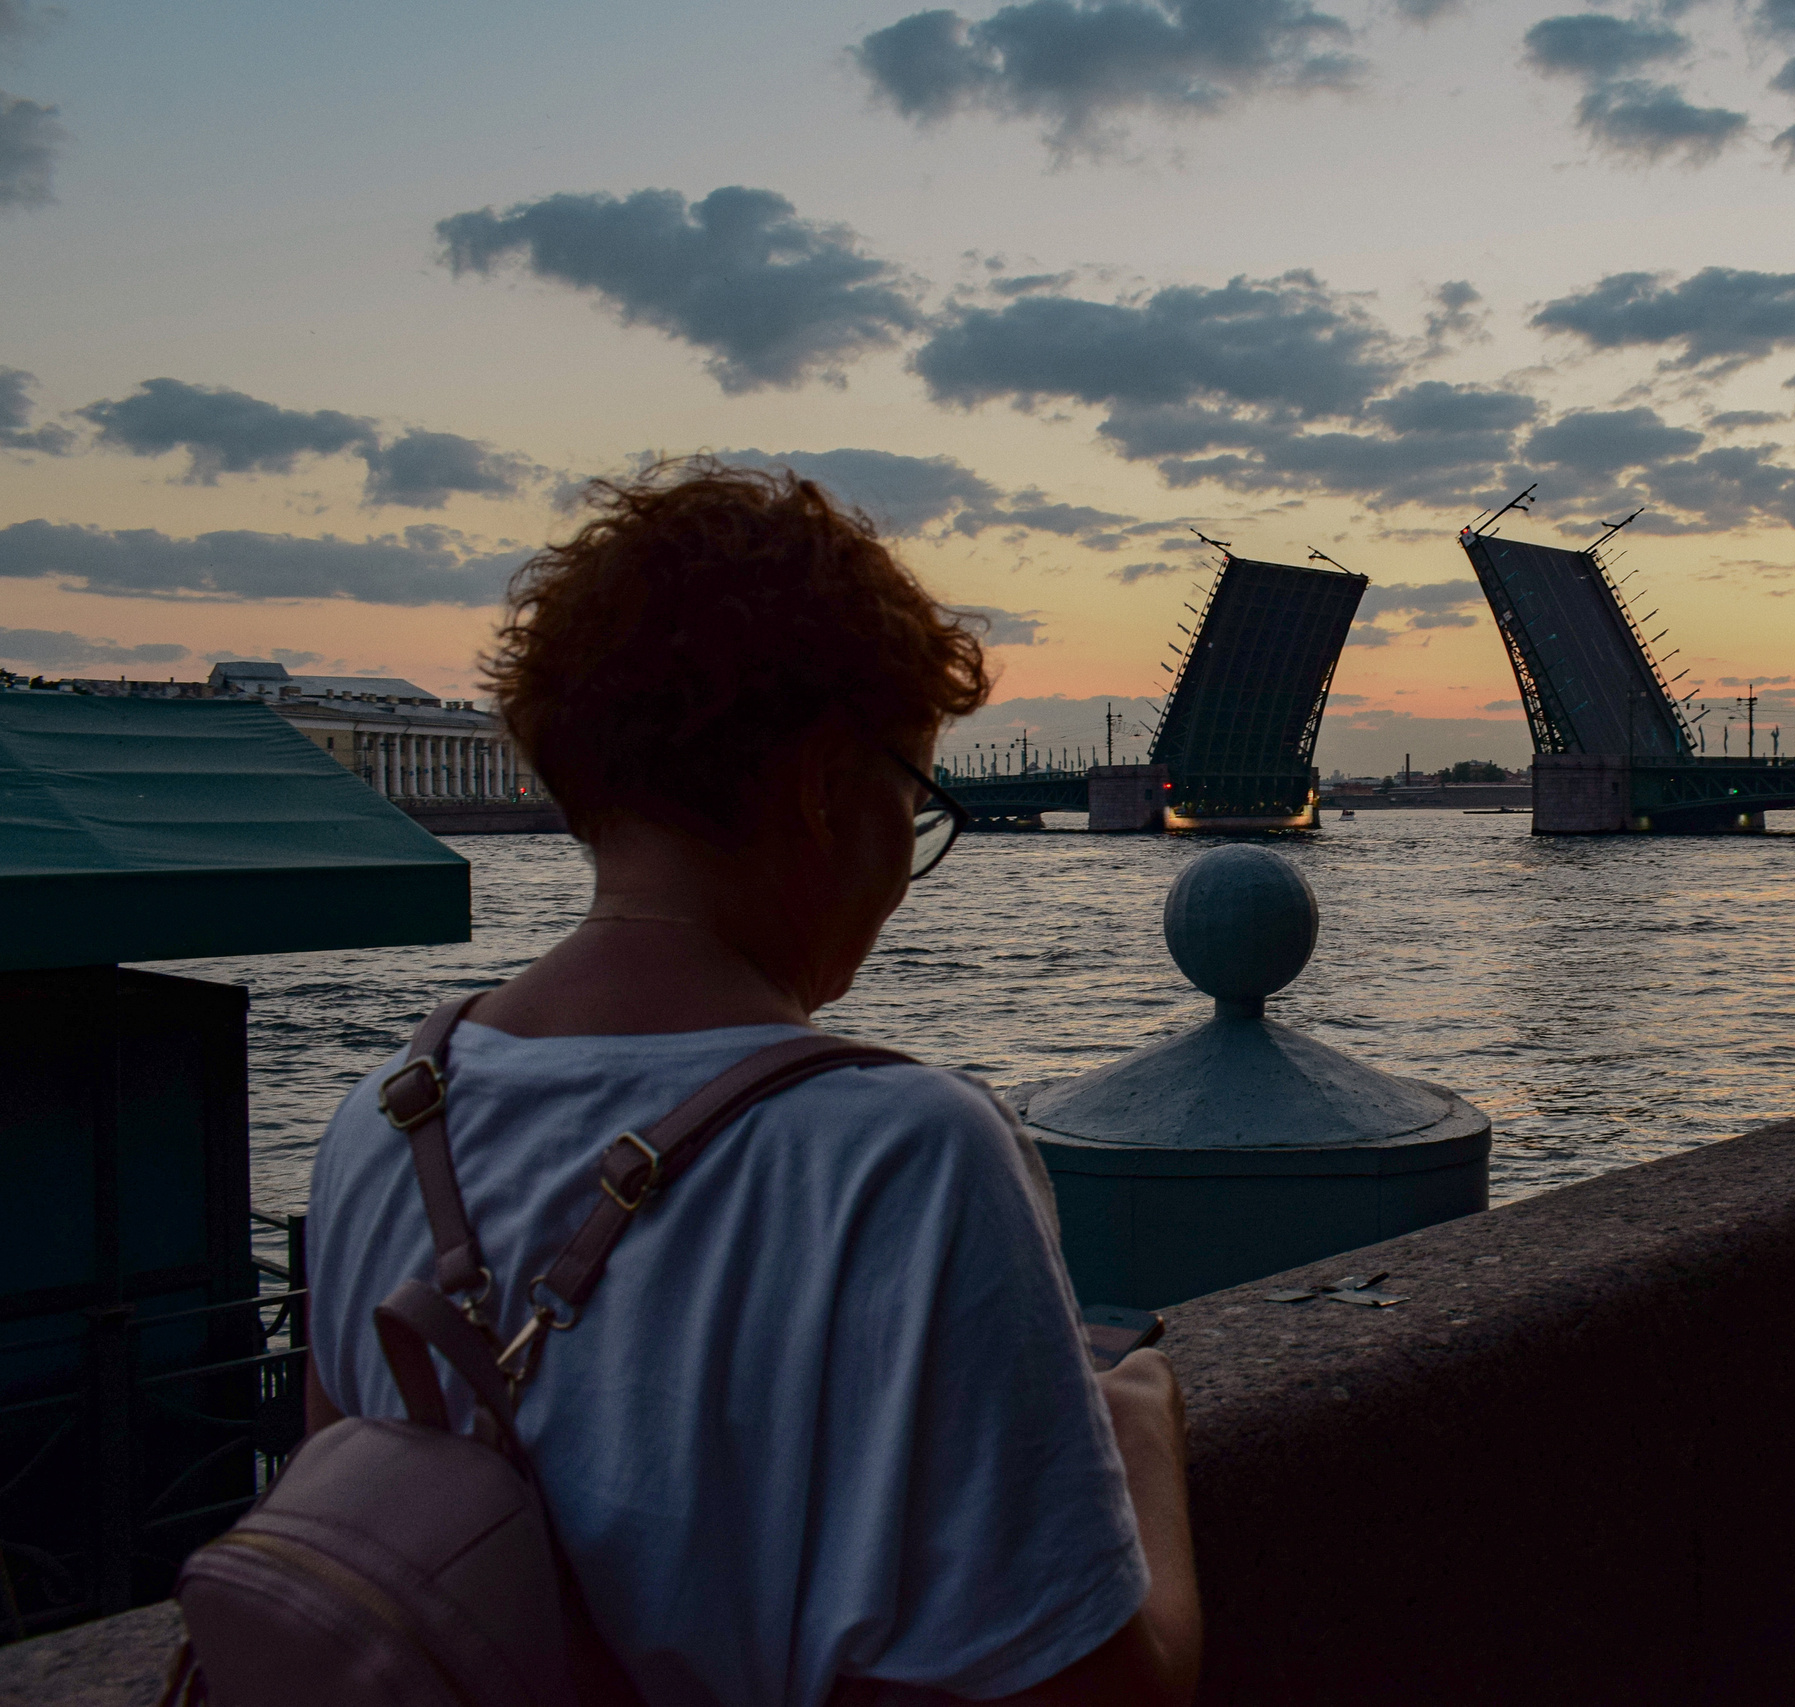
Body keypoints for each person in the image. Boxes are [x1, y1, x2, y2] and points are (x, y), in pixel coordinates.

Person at [301, 461, 1200, 1707]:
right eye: (914, 797)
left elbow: (339, 1532)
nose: (906, 863)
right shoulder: (899, 1153)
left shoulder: (383, 1119)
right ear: (826, 789)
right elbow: (1102, 1692)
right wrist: (1142, 1441)